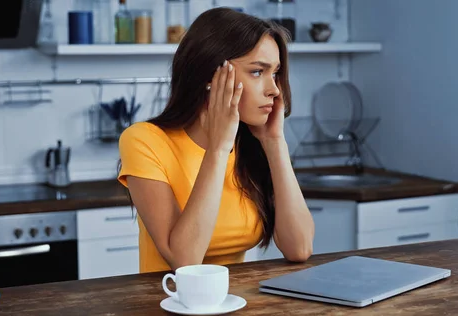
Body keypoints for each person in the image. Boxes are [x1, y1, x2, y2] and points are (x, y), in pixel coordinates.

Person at [117, 7, 315, 273]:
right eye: (257, 72)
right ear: (210, 75)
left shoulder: (253, 142)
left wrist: (275, 142)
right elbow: (184, 260)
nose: (275, 89)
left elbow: (299, 248)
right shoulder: (144, 140)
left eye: (275, 73)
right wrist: (219, 147)